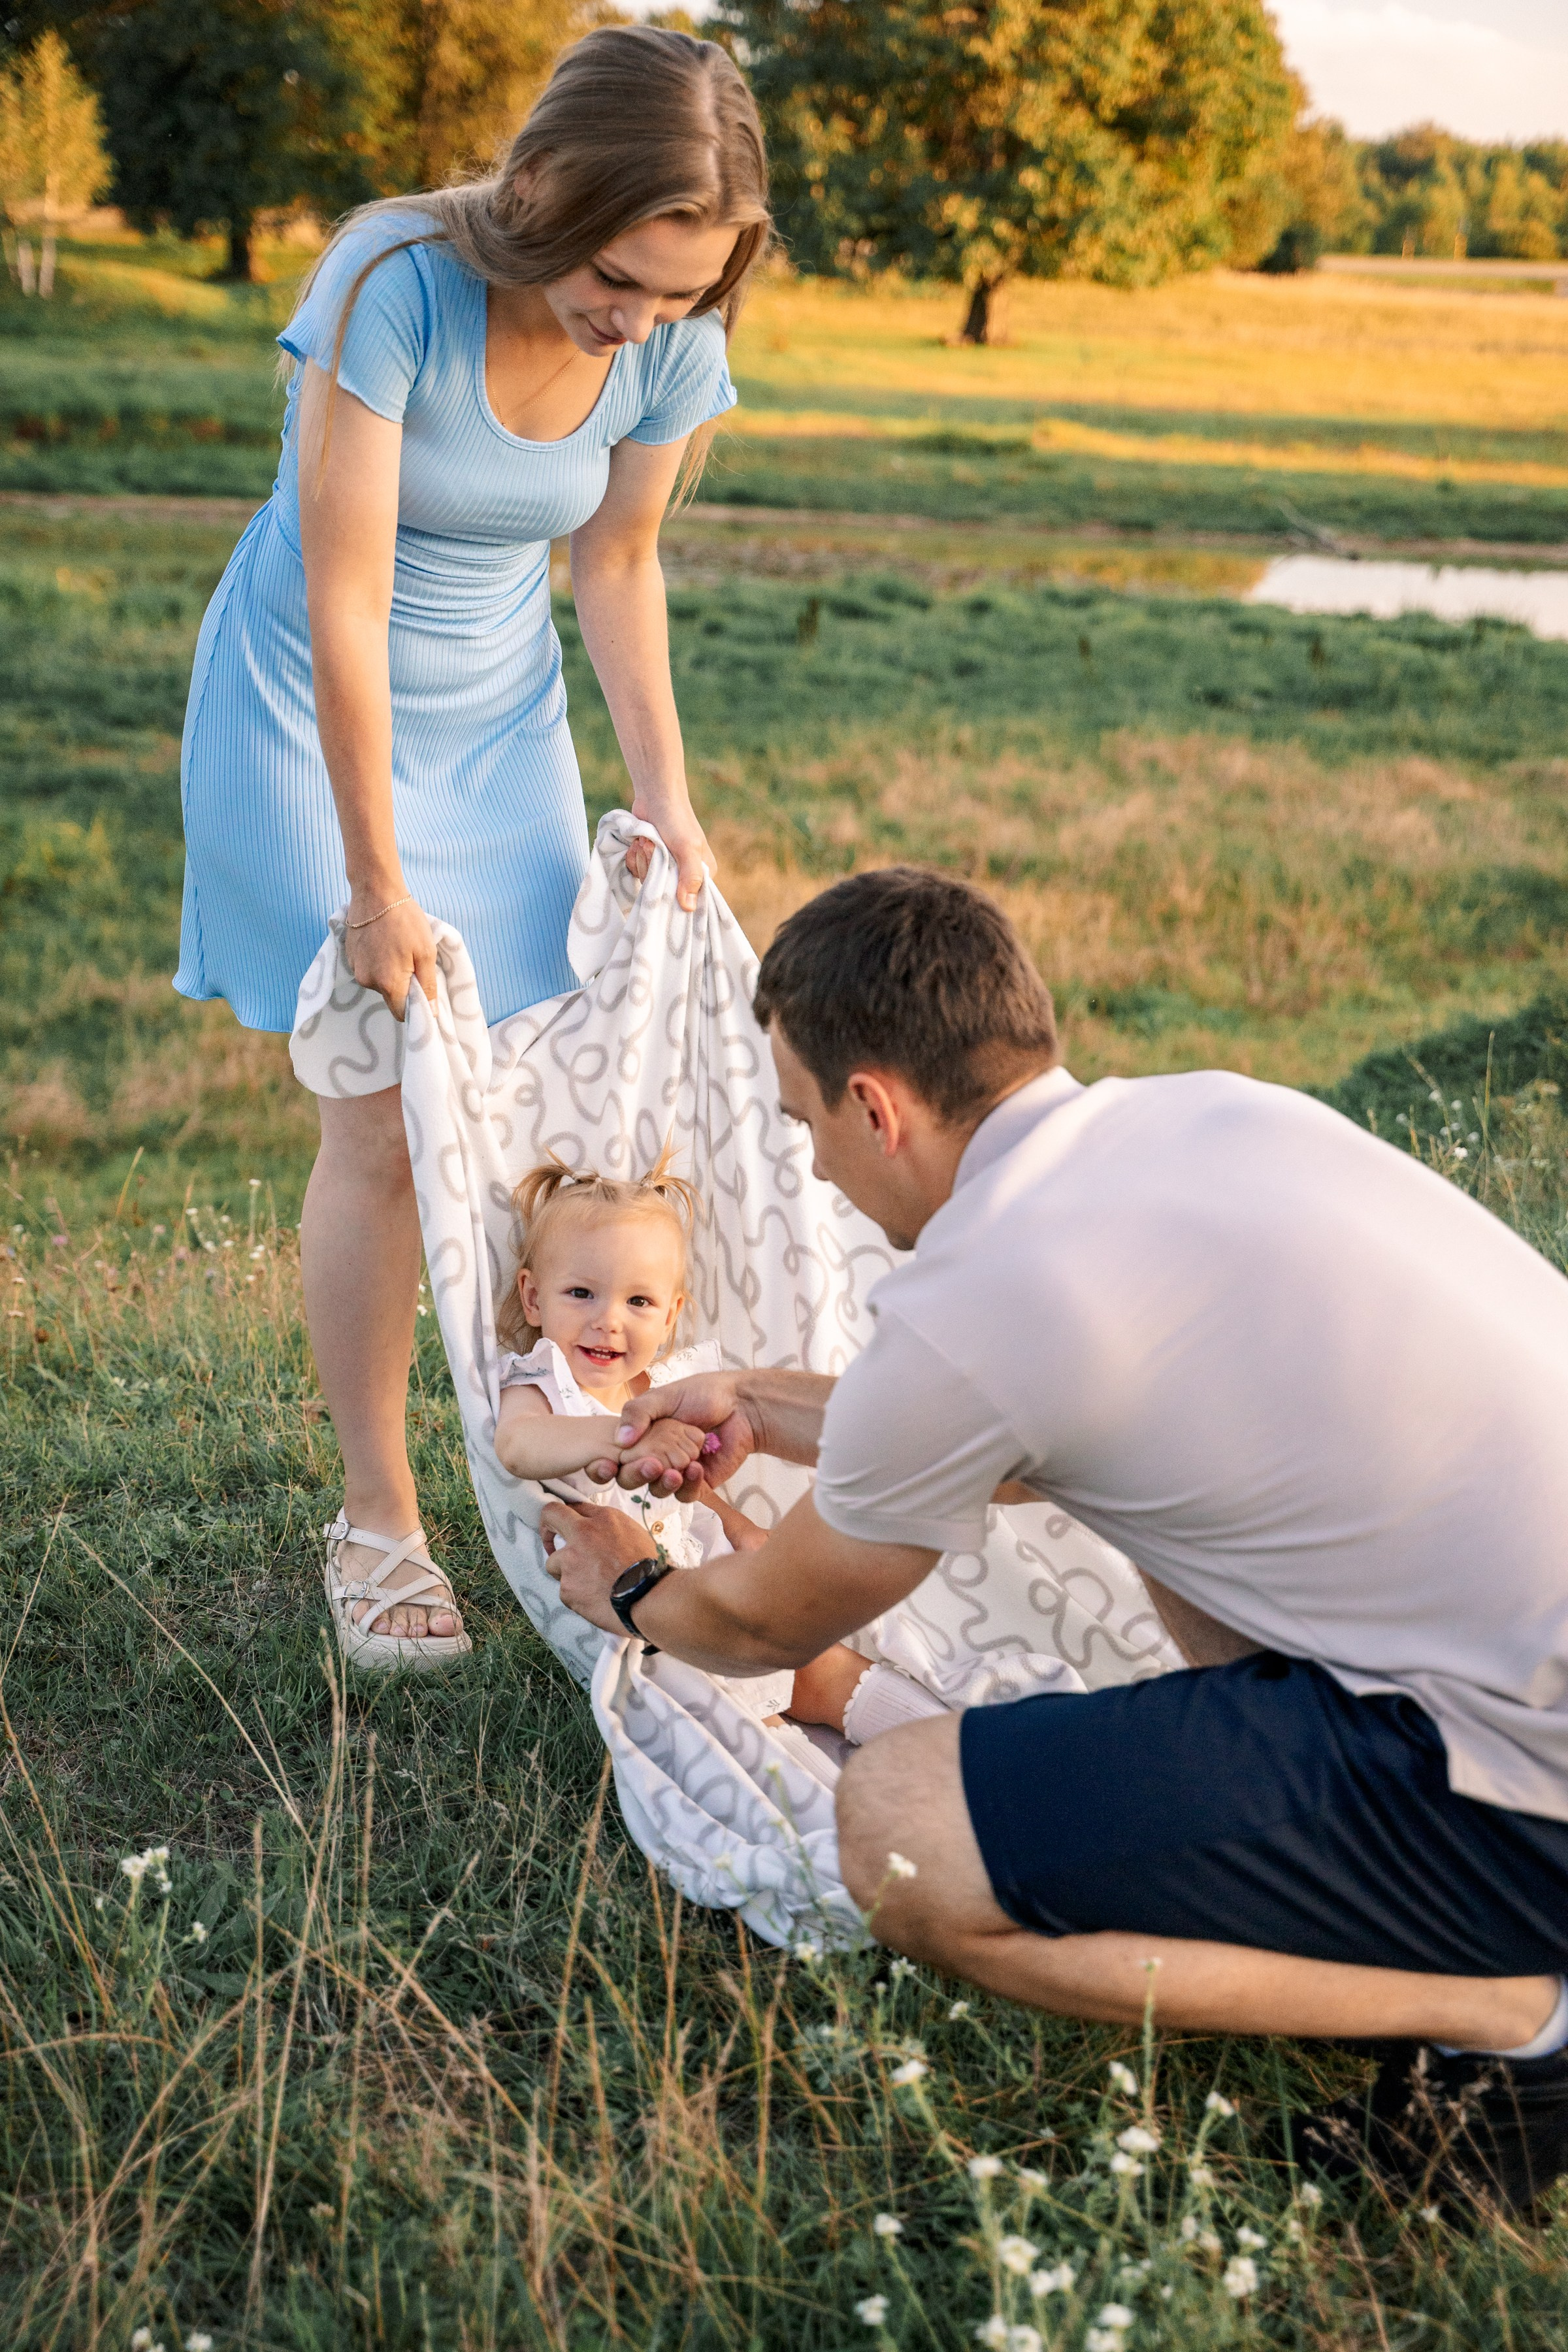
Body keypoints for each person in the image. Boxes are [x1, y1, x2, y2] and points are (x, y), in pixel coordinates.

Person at [542, 864, 1568, 2214]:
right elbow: (1036, 1421)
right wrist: (762, 1405)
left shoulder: (988, 1293)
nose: (815, 1167)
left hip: (1521, 1786)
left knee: (898, 1827)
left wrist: (628, 1581)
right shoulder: (1206, 1116)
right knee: (1159, 1517)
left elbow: (758, 1623)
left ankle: (1510, 2013)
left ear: (875, 1106)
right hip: (1515, 1672)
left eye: (805, 1127)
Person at [172, 27, 771, 1669]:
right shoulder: (391, 280)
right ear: (543, 191)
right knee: (379, 1108)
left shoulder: (662, 333)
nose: (637, 319)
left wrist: (665, 793)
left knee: (515, 1103)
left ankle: (560, 1448)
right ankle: (377, 1517)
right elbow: (342, 594)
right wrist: (374, 879)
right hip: (312, 706)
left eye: (676, 294)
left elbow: (618, 563)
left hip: (502, 719)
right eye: (617, 276)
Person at [486, 1155, 901, 1740]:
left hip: (696, 1572)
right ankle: (788, 1782)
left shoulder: (665, 1391)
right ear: (532, 1298)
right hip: (625, 1609)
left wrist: (737, 1525)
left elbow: (689, 1495)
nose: (608, 1321)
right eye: (581, 1293)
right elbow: (517, 1446)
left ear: (671, 1315)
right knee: (731, 1713)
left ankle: (940, 1738)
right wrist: (622, 1435)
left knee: (818, 1666)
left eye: (638, 1303)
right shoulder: (541, 1382)